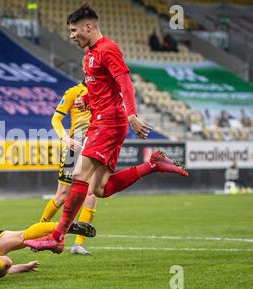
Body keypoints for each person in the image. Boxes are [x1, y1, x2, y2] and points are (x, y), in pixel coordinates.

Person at [24, 4, 188, 253]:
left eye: (74, 30)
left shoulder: (108, 49)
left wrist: (132, 114)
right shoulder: (89, 56)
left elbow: (125, 83)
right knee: (99, 189)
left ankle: (57, 236)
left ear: (88, 27)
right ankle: (152, 164)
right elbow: (105, 89)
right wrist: (86, 100)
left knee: (78, 175)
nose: (71, 35)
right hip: (101, 120)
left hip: (109, 122)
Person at [39, 77, 97, 255]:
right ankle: (40, 230)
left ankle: (78, 244)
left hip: (93, 145)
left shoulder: (103, 91)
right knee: (62, 195)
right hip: (75, 145)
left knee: (91, 195)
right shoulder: (74, 92)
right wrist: (65, 138)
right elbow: (56, 119)